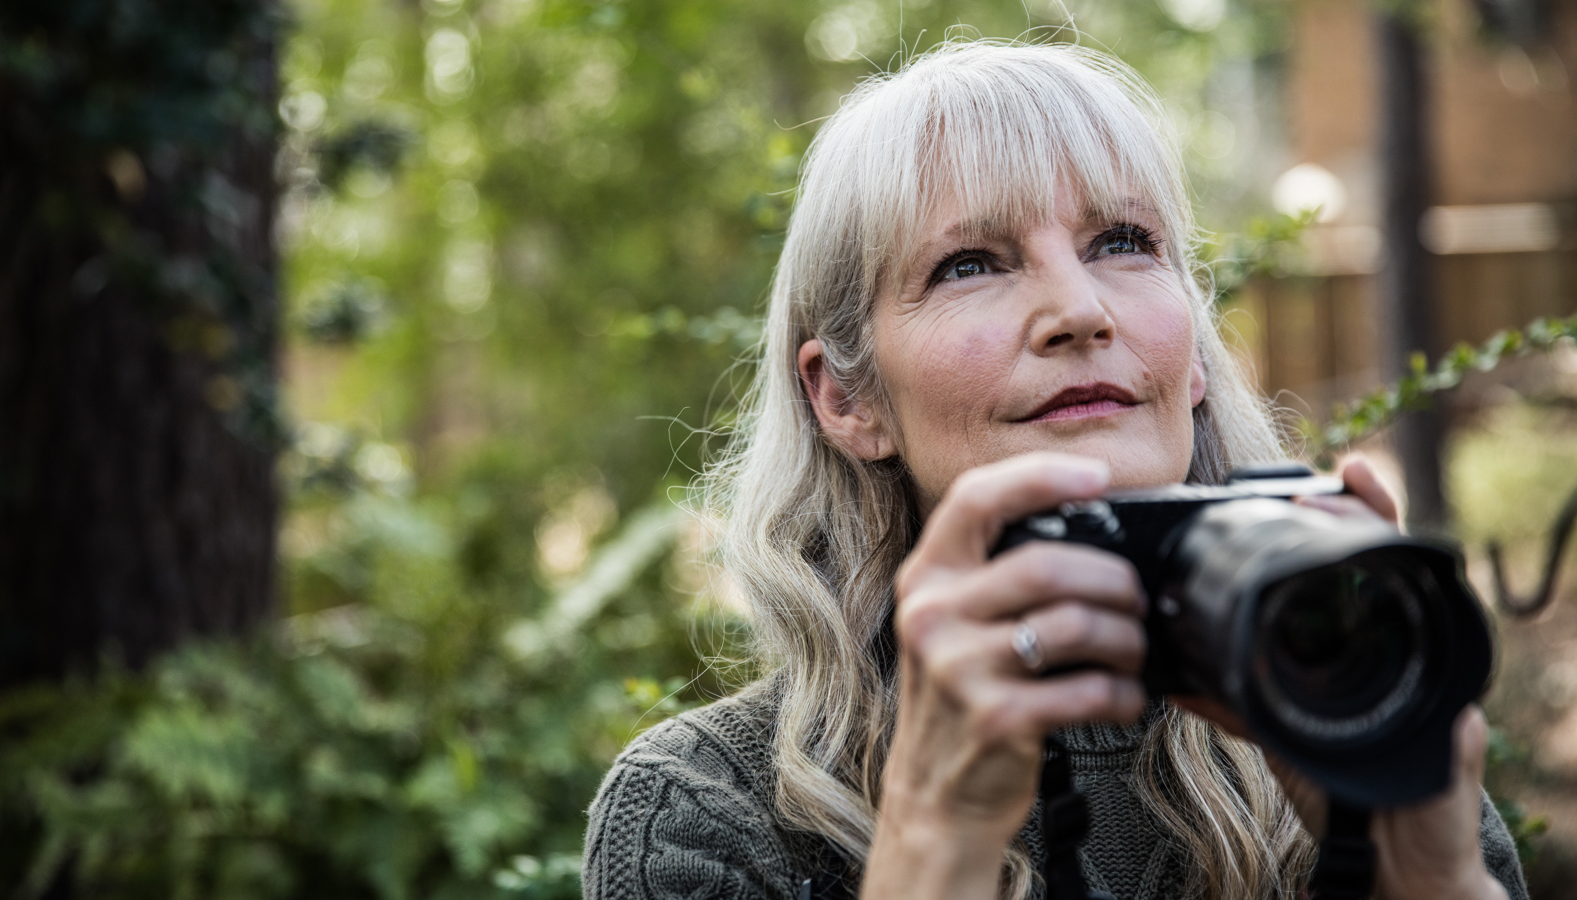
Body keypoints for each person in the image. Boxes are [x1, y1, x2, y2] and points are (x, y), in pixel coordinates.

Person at [581, 41, 1528, 900]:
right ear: (845, 400)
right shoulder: (707, 815)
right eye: (968, 264)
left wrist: (1426, 873)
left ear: (1193, 354)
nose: (1079, 309)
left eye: (1123, 243)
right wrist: (934, 845)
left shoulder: (1360, 713)